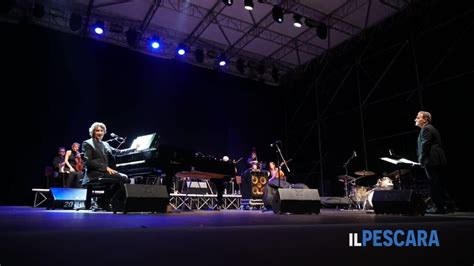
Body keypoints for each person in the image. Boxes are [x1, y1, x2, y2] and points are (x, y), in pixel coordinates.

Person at [82, 122, 134, 210]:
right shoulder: (87, 143)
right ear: (93, 132)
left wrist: (133, 149)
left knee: (124, 179)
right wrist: (105, 167)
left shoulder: (105, 144)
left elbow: (117, 152)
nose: (100, 133)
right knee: (124, 178)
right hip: (94, 173)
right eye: (97, 130)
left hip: (104, 172)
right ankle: (105, 201)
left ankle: (104, 200)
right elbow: (88, 162)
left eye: (102, 131)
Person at [415, 111, 452, 214]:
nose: (416, 119)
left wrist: (421, 160)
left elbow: (425, 145)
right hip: (438, 159)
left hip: (432, 160)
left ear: (425, 119)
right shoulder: (431, 128)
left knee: (434, 184)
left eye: (418, 118)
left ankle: (438, 207)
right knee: (439, 183)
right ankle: (448, 206)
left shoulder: (426, 129)